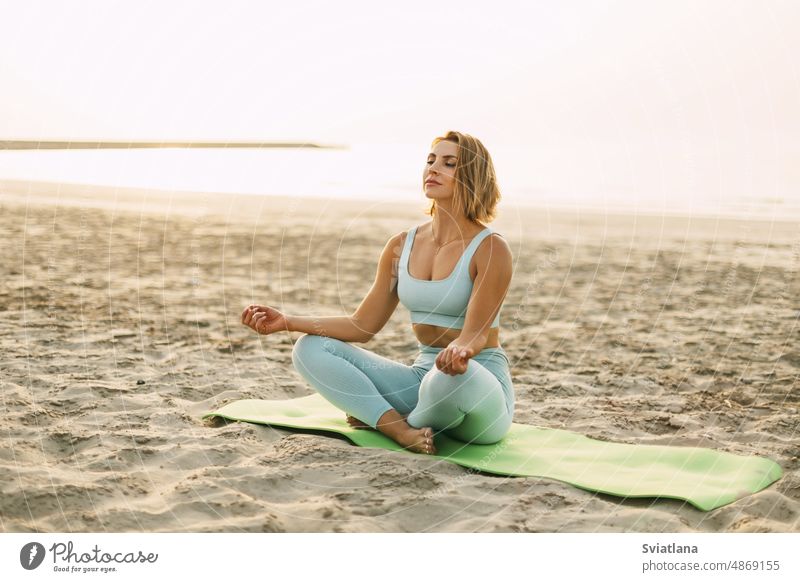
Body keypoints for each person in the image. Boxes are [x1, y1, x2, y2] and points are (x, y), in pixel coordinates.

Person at [241, 131, 514, 455]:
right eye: (430, 161)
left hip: (476, 387)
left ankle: (388, 418)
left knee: (448, 380)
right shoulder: (401, 247)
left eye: (449, 163)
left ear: (472, 176)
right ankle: (398, 429)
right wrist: (287, 321)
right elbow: (362, 325)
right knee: (309, 348)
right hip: (420, 381)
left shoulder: (491, 248)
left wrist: (460, 352)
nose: (434, 169)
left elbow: (475, 335)